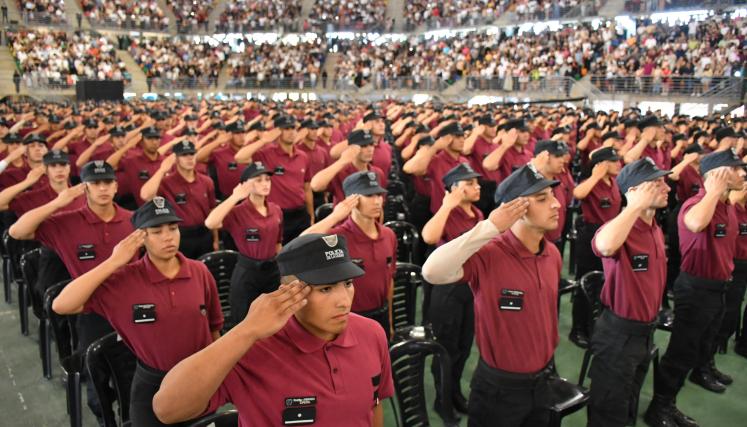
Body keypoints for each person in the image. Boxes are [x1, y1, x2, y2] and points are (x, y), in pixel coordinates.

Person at [152, 233, 393, 427]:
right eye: (326, 289)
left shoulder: (371, 333)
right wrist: (246, 331)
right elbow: (167, 409)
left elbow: (373, 407)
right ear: (288, 291)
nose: (344, 300)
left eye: (348, 283)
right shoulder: (253, 347)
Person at [52, 196, 223, 427]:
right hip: (153, 384)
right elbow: (62, 305)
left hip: (199, 381)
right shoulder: (123, 281)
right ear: (141, 238)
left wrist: (218, 376)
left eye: (173, 228)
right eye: (157, 231)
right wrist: (113, 262)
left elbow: (214, 328)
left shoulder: (199, 272)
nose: (168, 237)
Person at [422, 164, 562, 427]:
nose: (556, 204)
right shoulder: (489, 253)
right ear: (515, 209)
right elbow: (432, 271)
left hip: (543, 381)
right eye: (542, 199)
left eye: (552, 196)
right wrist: (490, 227)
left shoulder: (551, 253)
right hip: (500, 390)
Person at [8, 160, 134, 424]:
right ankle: (105, 419)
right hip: (92, 309)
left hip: (131, 307)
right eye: (95, 183)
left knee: (135, 373)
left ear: (116, 185)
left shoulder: (131, 220)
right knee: (96, 378)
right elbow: (17, 231)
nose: (102, 188)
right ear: (84, 187)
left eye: (107, 182)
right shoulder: (67, 222)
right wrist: (58, 202)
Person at [646, 150, 746, 427]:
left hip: (719, 286)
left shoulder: (727, 205)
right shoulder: (697, 204)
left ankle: (702, 370)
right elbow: (694, 223)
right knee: (681, 350)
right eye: (736, 170)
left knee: (706, 339)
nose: (743, 174)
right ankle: (660, 406)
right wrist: (713, 190)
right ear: (718, 175)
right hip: (696, 289)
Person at [587, 158, 671, 427]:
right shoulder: (621, 229)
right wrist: (632, 206)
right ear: (633, 191)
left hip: (644, 332)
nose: (666, 187)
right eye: (656, 183)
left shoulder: (654, 227)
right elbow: (605, 245)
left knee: (628, 404)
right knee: (608, 411)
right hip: (618, 336)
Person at [421, 162, 482, 420]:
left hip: (469, 290)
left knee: (464, 347)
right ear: (454, 188)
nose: (477, 187)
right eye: (469, 183)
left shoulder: (477, 214)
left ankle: (455, 391)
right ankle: (442, 400)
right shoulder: (447, 212)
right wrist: (447, 204)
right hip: (447, 291)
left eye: (476, 183)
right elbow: (428, 236)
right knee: (445, 349)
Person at [303, 171, 397, 337]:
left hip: (380, 315)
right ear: (352, 200)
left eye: (379, 195)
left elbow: (389, 281)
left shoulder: (388, 234)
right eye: (369, 195)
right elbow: (302, 243)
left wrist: (389, 320)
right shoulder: (338, 237)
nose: (377, 201)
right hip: (349, 317)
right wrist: (336, 215)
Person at [205, 162, 282, 325]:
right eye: (258, 180)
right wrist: (235, 197)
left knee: (273, 318)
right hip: (248, 272)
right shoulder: (238, 211)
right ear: (245, 185)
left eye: (267, 180)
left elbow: (277, 243)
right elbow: (211, 223)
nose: (265, 184)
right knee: (244, 320)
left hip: (272, 270)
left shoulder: (276, 210)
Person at [570, 147, 623, 348]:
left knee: (602, 283)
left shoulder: (614, 182)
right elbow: (577, 193)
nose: (618, 164)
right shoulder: (592, 182)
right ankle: (578, 329)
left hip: (608, 236)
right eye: (613, 160)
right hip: (590, 235)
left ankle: (594, 325)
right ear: (602, 164)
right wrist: (595, 175)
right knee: (587, 282)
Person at [235, 115, 314, 243]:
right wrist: (264, 140)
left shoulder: (303, 156)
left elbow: (307, 187)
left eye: (293, 128)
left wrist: (311, 214)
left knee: (301, 251)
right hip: (276, 213)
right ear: (278, 131)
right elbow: (240, 157)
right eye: (286, 128)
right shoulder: (267, 153)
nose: (291, 132)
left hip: (300, 213)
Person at [140, 141, 218, 259]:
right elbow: (146, 195)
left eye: (192, 154)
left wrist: (216, 239)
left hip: (205, 234)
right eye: (184, 155)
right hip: (181, 235)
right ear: (176, 159)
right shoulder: (166, 182)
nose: (189, 158)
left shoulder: (206, 181)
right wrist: (162, 170)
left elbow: (212, 210)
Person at [310, 129, 387, 204]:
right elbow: (315, 186)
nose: (370, 149)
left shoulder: (377, 172)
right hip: (346, 216)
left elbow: (381, 203)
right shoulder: (341, 171)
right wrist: (342, 161)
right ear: (351, 148)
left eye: (371, 144)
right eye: (364, 146)